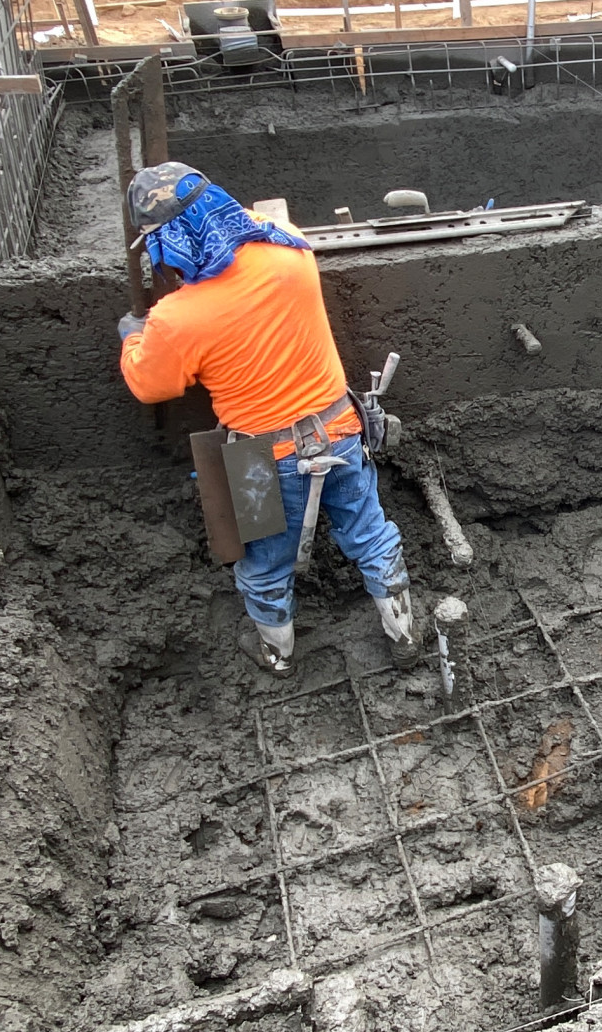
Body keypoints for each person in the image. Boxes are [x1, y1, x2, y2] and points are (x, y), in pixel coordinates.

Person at [117, 162, 412, 676]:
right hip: (340, 430)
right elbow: (253, 222)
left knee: (265, 563)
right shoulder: (290, 250)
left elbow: (150, 384)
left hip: (259, 459)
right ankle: (405, 635)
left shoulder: (177, 318)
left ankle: (277, 654)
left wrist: (132, 337)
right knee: (370, 534)